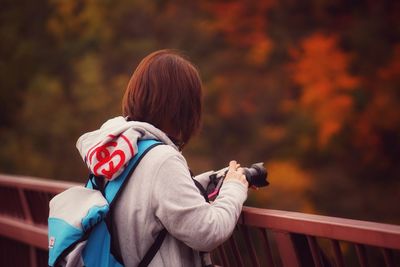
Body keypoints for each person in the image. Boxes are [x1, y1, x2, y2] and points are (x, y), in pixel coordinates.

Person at [76, 49, 248, 266]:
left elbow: (149, 198)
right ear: (184, 107)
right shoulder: (163, 160)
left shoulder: (121, 151)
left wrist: (217, 179)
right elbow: (208, 231)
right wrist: (235, 189)